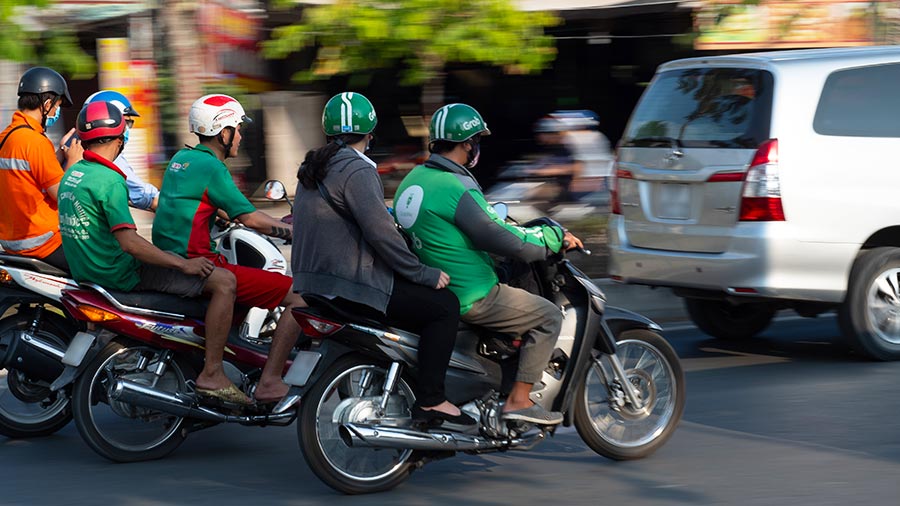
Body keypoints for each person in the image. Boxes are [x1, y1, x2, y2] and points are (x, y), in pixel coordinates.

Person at [291, 92, 473, 428]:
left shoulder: (313, 169)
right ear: (370, 133)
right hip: (350, 287)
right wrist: (422, 272)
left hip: (312, 286)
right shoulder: (357, 169)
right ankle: (432, 399)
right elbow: (381, 234)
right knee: (445, 305)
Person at [393, 103, 584, 425]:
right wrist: (552, 238)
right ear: (468, 143)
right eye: (476, 140)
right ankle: (519, 400)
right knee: (548, 316)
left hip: (434, 283)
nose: (477, 147)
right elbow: (503, 239)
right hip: (472, 291)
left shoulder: (415, 179)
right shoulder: (455, 186)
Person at [57, 101, 241, 403]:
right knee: (224, 282)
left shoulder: (73, 175)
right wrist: (182, 264)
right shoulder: (109, 180)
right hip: (120, 273)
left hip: (88, 273)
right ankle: (213, 373)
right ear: (119, 140)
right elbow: (130, 244)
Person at [152, 94, 304, 405]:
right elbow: (250, 218)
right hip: (198, 263)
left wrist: (239, 216)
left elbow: (200, 202)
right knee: (299, 298)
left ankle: (237, 359)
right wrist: (296, 231)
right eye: (238, 129)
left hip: (171, 257)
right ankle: (266, 381)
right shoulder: (212, 167)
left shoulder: (182, 159)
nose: (241, 136)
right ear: (224, 133)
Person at [0, 67, 83, 270]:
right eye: (57, 106)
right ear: (46, 105)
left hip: (11, 242)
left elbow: (29, 176)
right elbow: (63, 196)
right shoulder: (36, 142)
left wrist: (61, 153)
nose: (56, 112)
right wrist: (73, 160)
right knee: (105, 263)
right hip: (44, 243)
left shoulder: (6, 137)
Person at [83, 90, 160, 211]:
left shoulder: (73, 146)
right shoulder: (108, 157)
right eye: (126, 122)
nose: (127, 129)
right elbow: (145, 196)